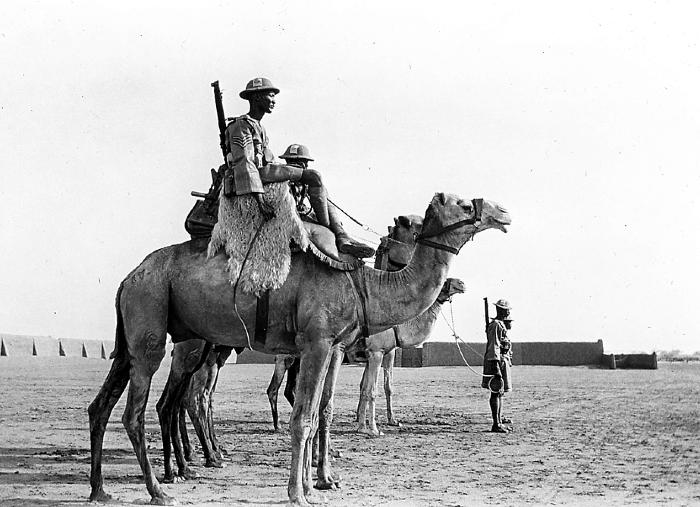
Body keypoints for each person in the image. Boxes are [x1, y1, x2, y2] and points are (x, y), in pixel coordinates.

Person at [223, 78, 374, 258]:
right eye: (270, 95)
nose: (273, 100)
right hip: (259, 174)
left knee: (320, 187)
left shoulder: (258, 126)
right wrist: (260, 199)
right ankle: (330, 231)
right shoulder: (242, 125)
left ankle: (341, 236)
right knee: (314, 177)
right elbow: (245, 163)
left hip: (266, 170)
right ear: (256, 98)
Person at [279, 143, 374, 258]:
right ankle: (341, 236)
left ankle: (342, 236)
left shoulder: (296, 180)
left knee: (323, 192)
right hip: (288, 221)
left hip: (297, 216)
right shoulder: (282, 182)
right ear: (305, 163)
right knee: (324, 223)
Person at [482, 299, 514, 433]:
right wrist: (496, 368)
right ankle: (496, 423)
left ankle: (499, 421)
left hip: (502, 360)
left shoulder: (500, 325)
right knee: (495, 392)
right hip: (497, 361)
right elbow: (494, 346)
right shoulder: (496, 325)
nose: (508, 312)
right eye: (505, 309)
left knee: (500, 393)